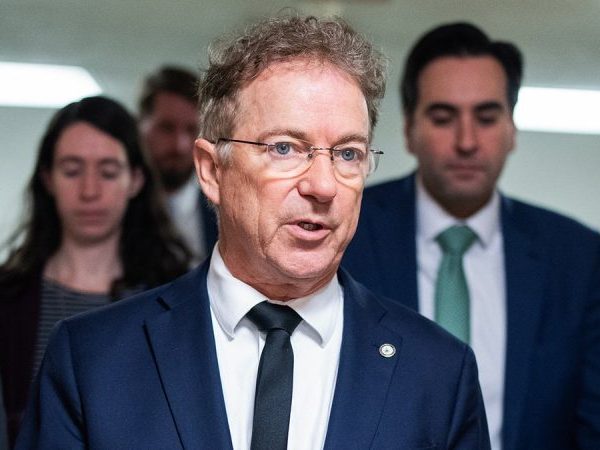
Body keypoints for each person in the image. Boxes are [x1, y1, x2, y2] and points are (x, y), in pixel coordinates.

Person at [16, 16, 490, 449]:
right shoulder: (93, 360)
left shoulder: (438, 374)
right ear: (211, 170)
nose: (324, 185)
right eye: (285, 148)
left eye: (347, 154)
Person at [343, 22, 600, 450]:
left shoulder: (579, 260)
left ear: (512, 129)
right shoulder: (345, 233)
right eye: (443, 118)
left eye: (486, 117)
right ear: (409, 130)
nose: (466, 141)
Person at [0, 96, 191, 447]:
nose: (89, 191)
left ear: (135, 180)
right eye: (72, 170)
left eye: (108, 172)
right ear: (48, 179)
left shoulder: (181, 297)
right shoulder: (7, 298)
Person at [139, 66, 218, 265]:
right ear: (141, 126)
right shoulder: (115, 212)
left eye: (192, 130)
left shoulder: (224, 214)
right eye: (166, 128)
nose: (180, 146)